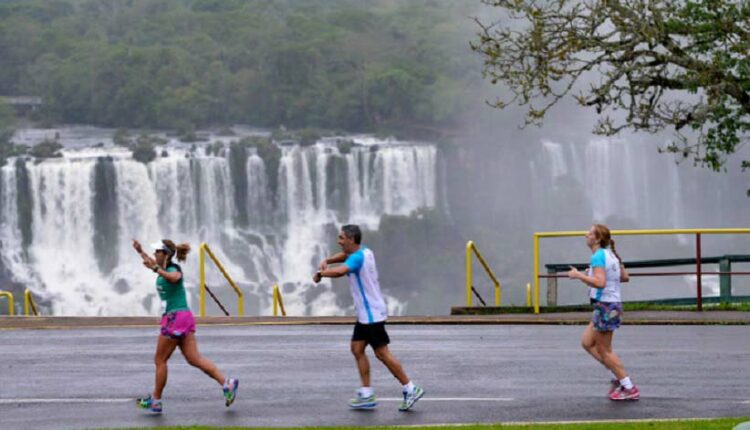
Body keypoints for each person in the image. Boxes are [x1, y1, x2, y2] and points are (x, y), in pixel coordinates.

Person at [313, 225, 424, 411]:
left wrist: (321, 274)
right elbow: (343, 257)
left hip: (372, 315)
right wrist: (327, 260)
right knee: (357, 349)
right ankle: (366, 394)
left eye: (341, 238)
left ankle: (410, 388)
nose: (338, 241)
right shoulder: (364, 251)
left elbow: (341, 271)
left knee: (382, 354)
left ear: (351, 239)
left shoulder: (356, 259)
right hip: (367, 314)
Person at [132, 239, 239, 413]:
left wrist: (155, 268)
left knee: (160, 360)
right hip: (183, 317)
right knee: (193, 358)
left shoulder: (173, 269)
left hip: (175, 319)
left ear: (165, 254)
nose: (154, 255)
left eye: (157, 251)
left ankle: (156, 400)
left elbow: (175, 278)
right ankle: (227, 383)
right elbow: (151, 263)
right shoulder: (162, 268)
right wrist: (139, 251)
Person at [568, 224, 639, 401]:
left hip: (607, 305)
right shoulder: (610, 254)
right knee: (587, 343)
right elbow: (624, 277)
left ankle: (628, 386)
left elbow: (600, 283)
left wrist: (579, 276)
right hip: (608, 305)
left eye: (590, 233)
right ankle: (617, 377)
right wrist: (591, 274)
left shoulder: (599, 255)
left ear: (598, 239)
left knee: (605, 350)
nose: (586, 235)